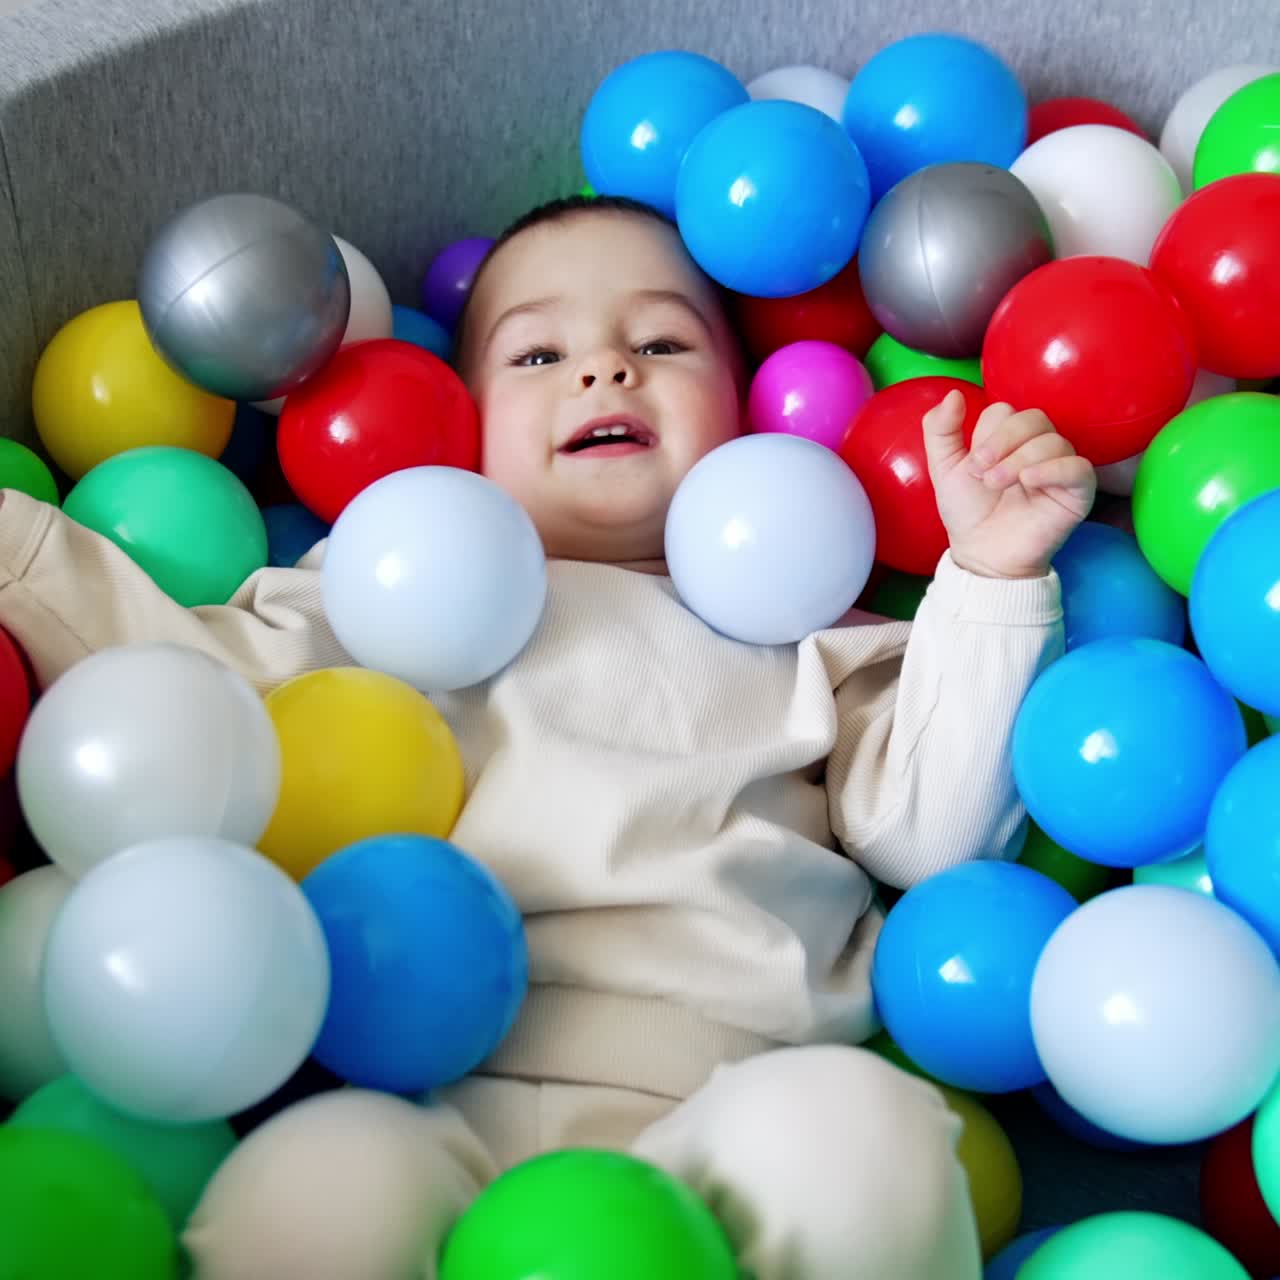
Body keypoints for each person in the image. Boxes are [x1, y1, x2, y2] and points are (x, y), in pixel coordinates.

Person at [0, 195, 1095, 1279]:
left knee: (869, 1137)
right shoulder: (383, 583)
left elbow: (928, 833)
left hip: (727, 1099)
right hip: (413, 1087)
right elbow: (179, 693)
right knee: (308, 1189)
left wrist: (989, 576)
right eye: (535, 356)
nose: (604, 369)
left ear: (745, 415)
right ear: (457, 428)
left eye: (661, 340)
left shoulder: (815, 634)